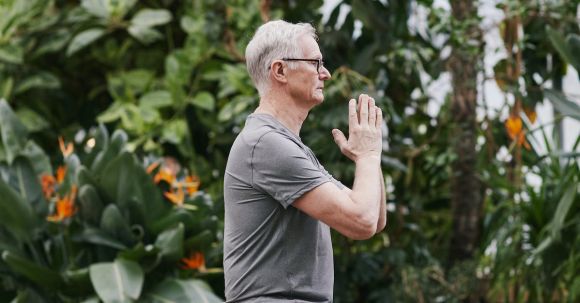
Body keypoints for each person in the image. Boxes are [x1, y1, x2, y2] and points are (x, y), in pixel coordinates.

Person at [223, 20, 387, 303]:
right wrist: (368, 156)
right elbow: (362, 221)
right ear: (280, 70)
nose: (326, 73)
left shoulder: (284, 146)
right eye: (315, 62)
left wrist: (369, 158)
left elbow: (374, 217)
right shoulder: (267, 145)